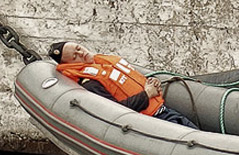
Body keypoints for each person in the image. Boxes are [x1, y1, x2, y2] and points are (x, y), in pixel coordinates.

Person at [48, 41, 198, 129]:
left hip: (163, 112)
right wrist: (147, 94)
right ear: (69, 65)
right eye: (75, 56)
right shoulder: (90, 84)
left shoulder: (103, 63)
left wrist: (151, 85)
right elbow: (116, 111)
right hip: (152, 124)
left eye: (78, 48)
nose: (81, 53)